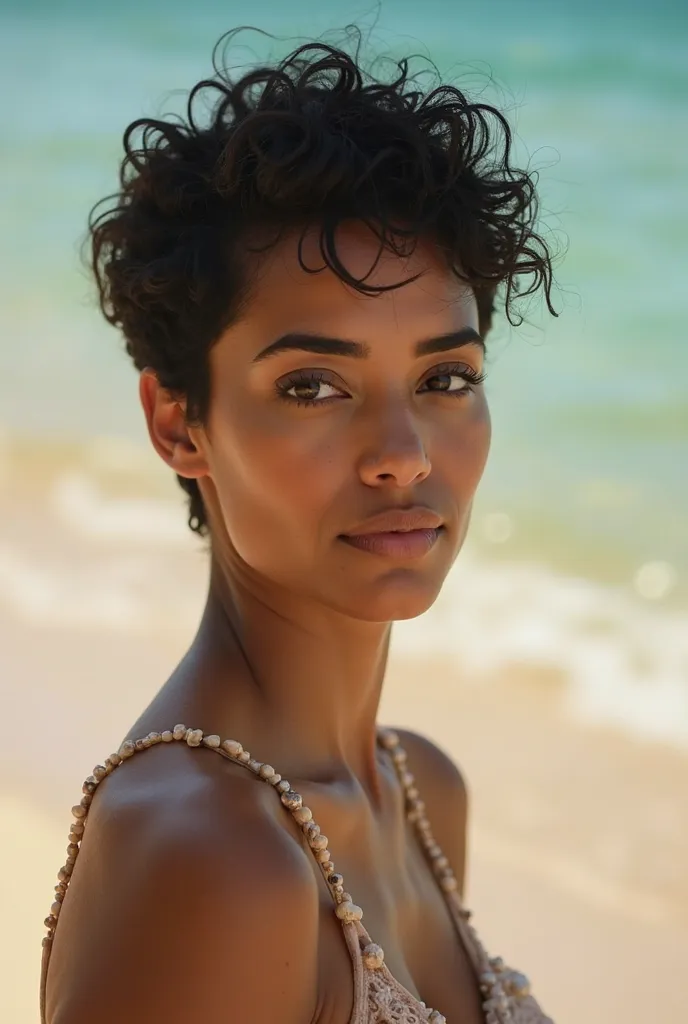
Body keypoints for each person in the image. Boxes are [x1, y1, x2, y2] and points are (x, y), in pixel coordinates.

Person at [40, 26, 560, 1024]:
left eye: (444, 377)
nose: (403, 453)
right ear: (178, 423)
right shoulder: (209, 855)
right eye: (312, 385)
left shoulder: (421, 792)